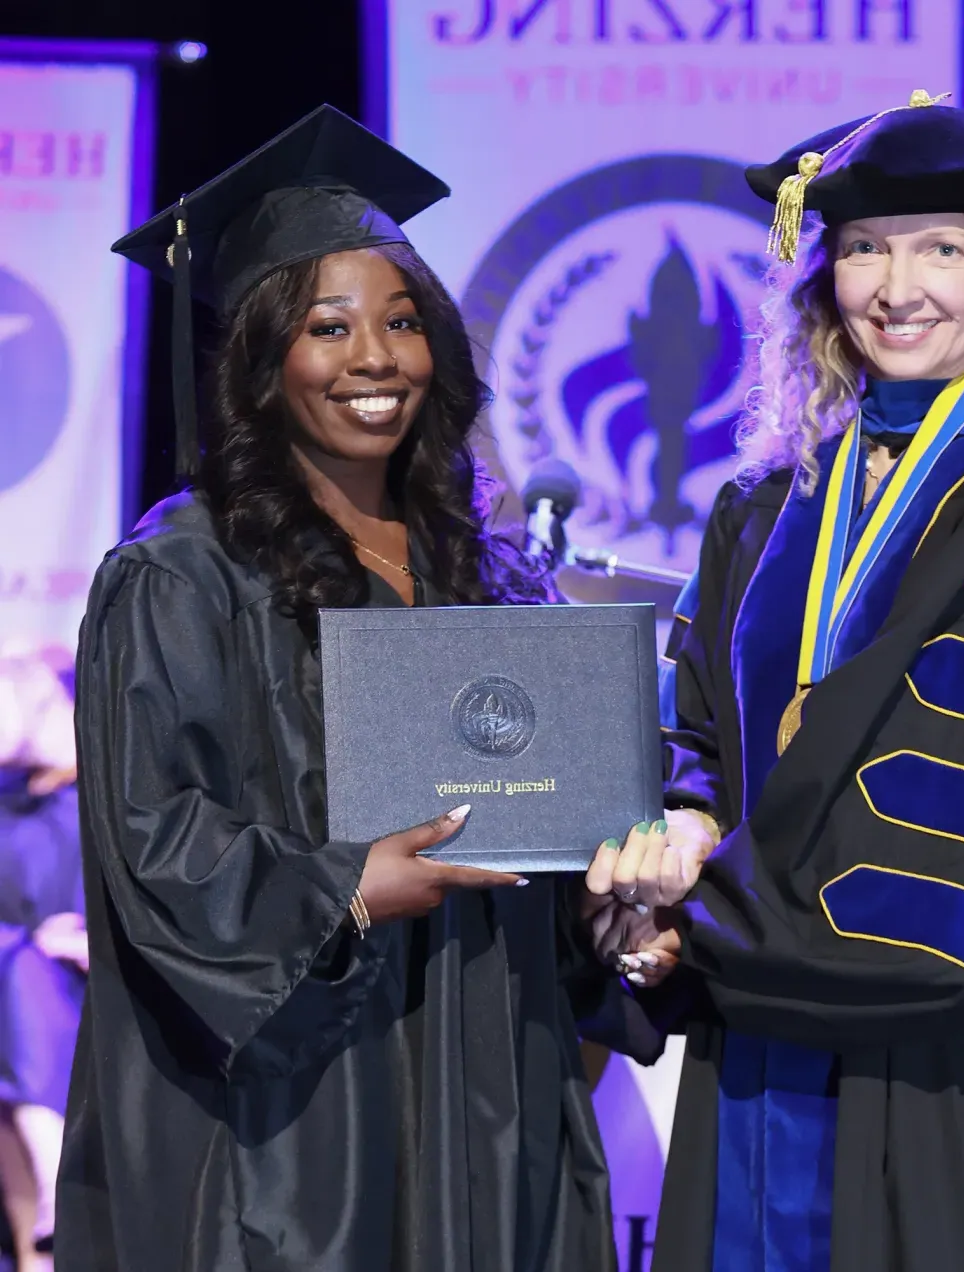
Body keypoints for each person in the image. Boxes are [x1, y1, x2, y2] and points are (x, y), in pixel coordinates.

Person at [586, 91, 964, 1271]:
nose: (898, 287)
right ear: (823, 278)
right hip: (761, 1045)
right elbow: (698, 730)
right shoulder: (762, 505)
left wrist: (712, 921)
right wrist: (678, 831)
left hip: (947, 1062)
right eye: (862, 249)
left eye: (942, 246)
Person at [57, 106, 618, 1272]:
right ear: (263, 359)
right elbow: (153, 844)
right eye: (329, 327)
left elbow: (555, 835)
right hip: (295, 1108)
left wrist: (616, 910)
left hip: (488, 1077)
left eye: (403, 322)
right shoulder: (180, 576)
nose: (375, 359)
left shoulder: (500, 577)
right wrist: (346, 887)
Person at [0, 645, 86, 1272]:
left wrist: (88, 941)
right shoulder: (10, 806)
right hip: (22, 987)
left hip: (90, 983)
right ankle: (35, 1240)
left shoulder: (105, 794)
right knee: (17, 965)